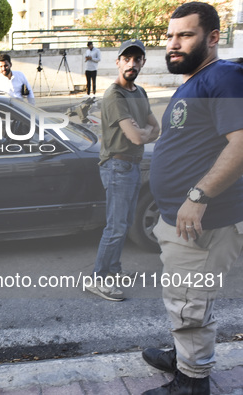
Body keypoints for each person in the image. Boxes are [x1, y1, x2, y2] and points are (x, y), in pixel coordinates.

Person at [142, 3, 243, 394]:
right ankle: (184, 352)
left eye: (185, 35)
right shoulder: (195, 81)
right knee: (184, 297)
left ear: (213, 37)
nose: (173, 44)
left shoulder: (224, 77)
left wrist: (199, 195)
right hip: (178, 219)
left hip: (205, 221)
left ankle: (192, 380)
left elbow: (240, 144)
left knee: (190, 302)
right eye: (170, 36)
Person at [85, 39, 159, 302]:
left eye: (136, 59)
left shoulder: (139, 92)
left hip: (131, 165)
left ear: (142, 63)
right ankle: (99, 278)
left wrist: (143, 132)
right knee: (116, 227)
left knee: (124, 223)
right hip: (117, 165)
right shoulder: (114, 94)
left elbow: (155, 128)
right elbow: (138, 137)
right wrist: (143, 132)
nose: (132, 63)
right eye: (126, 59)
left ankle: (112, 270)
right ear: (118, 62)